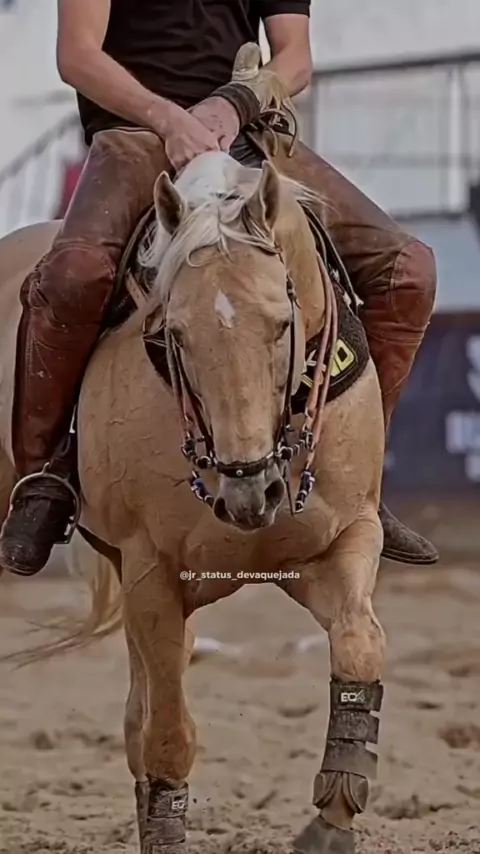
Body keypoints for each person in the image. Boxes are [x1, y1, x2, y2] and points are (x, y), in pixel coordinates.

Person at [0, 0, 438, 577]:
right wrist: (169, 119)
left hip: (249, 136)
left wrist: (234, 104)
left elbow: (296, 56)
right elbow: (77, 55)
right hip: (133, 137)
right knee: (72, 275)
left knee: (409, 272)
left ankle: (362, 478)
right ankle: (45, 476)